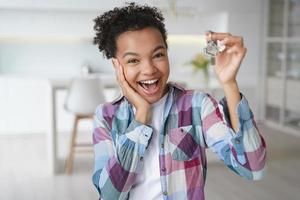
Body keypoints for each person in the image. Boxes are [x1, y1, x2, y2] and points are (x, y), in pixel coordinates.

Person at [91, 2, 266, 200]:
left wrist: (229, 83)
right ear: (117, 65)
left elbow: (253, 168)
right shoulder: (106, 116)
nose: (149, 69)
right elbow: (109, 194)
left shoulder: (197, 106)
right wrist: (141, 115)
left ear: (167, 52)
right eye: (133, 60)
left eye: (158, 55)